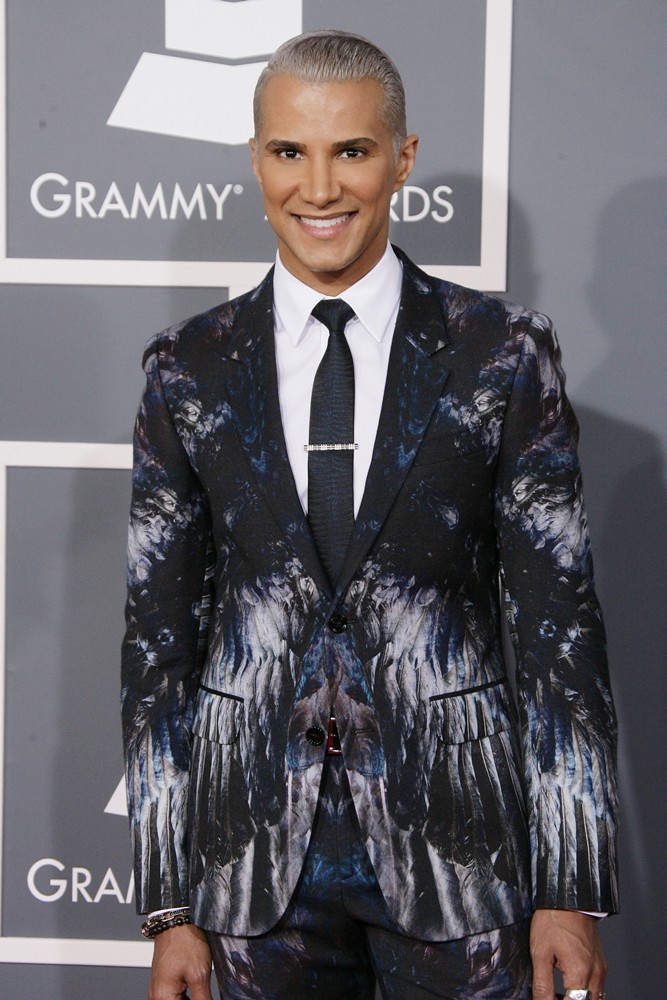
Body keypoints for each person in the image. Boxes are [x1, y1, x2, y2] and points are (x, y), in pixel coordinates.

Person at [121, 29, 618, 1000]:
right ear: (256, 159)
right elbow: (156, 643)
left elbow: (559, 632)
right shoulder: (187, 367)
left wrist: (571, 887)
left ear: (402, 157)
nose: (319, 188)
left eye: (350, 150)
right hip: (250, 864)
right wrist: (168, 904)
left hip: (461, 852)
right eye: (288, 152)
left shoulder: (502, 354)